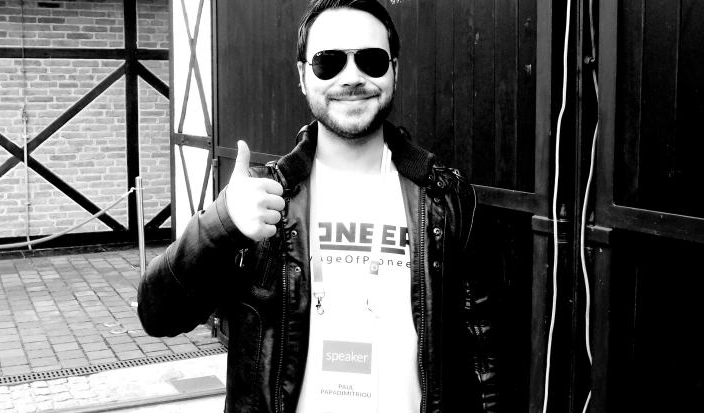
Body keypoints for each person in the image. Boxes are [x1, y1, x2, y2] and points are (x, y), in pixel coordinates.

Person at [139, 0, 499, 411]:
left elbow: (482, 350)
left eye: (371, 60)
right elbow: (158, 315)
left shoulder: (446, 199)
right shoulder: (261, 201)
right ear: (302, 75)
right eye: (328, 62)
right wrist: (221, 224)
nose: (352, 78)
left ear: (394, 70)